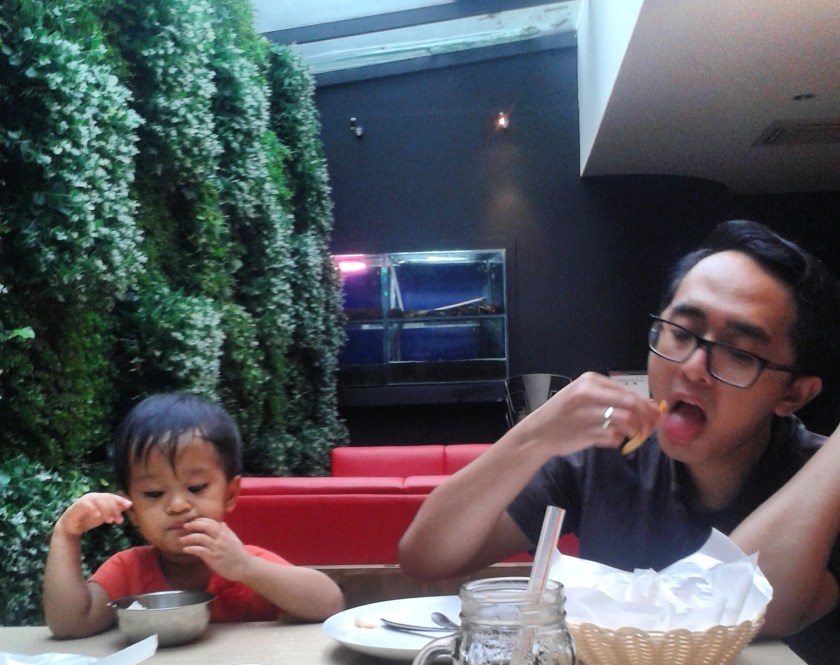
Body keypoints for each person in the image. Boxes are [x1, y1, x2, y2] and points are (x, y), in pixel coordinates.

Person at [399, 220, 840, 641]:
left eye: (739, 353)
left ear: (794, 394)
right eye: (680, 332)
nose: (692, 368)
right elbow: (426, 557)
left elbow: (755, 612)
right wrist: (534, 435)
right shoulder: (609, 454)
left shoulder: (824, 481)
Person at [44, 392, 345, 638]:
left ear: (230, 494)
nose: (177, 505)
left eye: (196, 487)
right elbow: (71, 624)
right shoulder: (128, 570)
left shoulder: (244, 562)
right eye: (154, 493)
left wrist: (246, 567)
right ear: (131, 508)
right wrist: (66, 535)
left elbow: (330, 603)